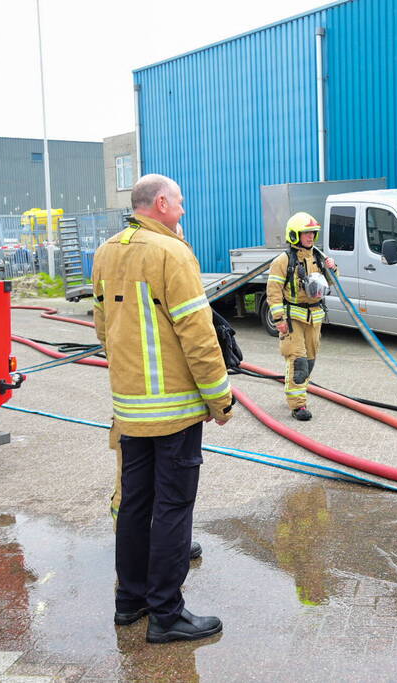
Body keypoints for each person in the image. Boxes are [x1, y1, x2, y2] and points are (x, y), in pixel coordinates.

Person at [93, 174, 234, 643]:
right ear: (160, 203)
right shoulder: (172, 252)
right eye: (179, 201)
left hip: (130, 410)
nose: (183, 209)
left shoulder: (106, 251)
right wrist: (219, 398)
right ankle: (167, 615)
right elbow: (198, 334)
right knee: (173, 507)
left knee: (135, 505)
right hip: (174, 411)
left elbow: (103, 328)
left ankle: (129, 601)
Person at [266, 212, 337, 421]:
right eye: (306, 233)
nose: (311, 237)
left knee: (310, 361)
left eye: (313, 233)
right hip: (292, 319)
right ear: (294, 235)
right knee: (298, 362)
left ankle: (296, 392)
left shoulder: (318, 257)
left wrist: (332, 268)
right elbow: (273, 291)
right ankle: (298, 405)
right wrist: (279, 320)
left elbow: (331, 282)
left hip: (314, 318)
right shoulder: (283, 261)